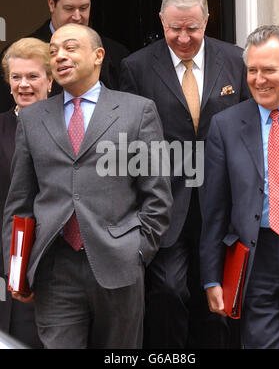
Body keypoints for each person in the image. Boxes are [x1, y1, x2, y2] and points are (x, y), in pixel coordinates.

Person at [2, 23, 172, 349]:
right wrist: (18, 269)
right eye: (52, 52)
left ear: (98, 56)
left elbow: (157, 196)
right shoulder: (34, 118)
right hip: (54, 267)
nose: (60, 57)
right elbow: (19, 203)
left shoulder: (137, 112)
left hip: (119, 264)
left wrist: (137, 251)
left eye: (70, 48)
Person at [119, 0, 250, 349]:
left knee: (219, 304)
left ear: (207, 21)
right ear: (161, 21)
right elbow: (129, 143)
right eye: (174, 28)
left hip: (223, 204)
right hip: (165, 203)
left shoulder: (237, 61)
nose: (183, 37)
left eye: (192, 28)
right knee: (168, 293)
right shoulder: (137, 67)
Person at [200, 25, 279, 349]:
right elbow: (214, 209)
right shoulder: (225, 126)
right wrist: (212, 277)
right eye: (252, 70)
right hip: (256, 256)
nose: (259, 80)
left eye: (268, 70)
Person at [0, 0, 129, 113]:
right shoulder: (17, 55)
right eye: (69, 8)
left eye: (84, 8)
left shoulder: (116, 53)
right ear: (51, 4)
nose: (77, 16)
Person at [0, 37, 53, 348]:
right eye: (16, 77)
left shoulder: (72, 129)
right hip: (11, 272)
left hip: (61, 272)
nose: (23, 85)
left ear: (50, 79)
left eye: (32, 76)